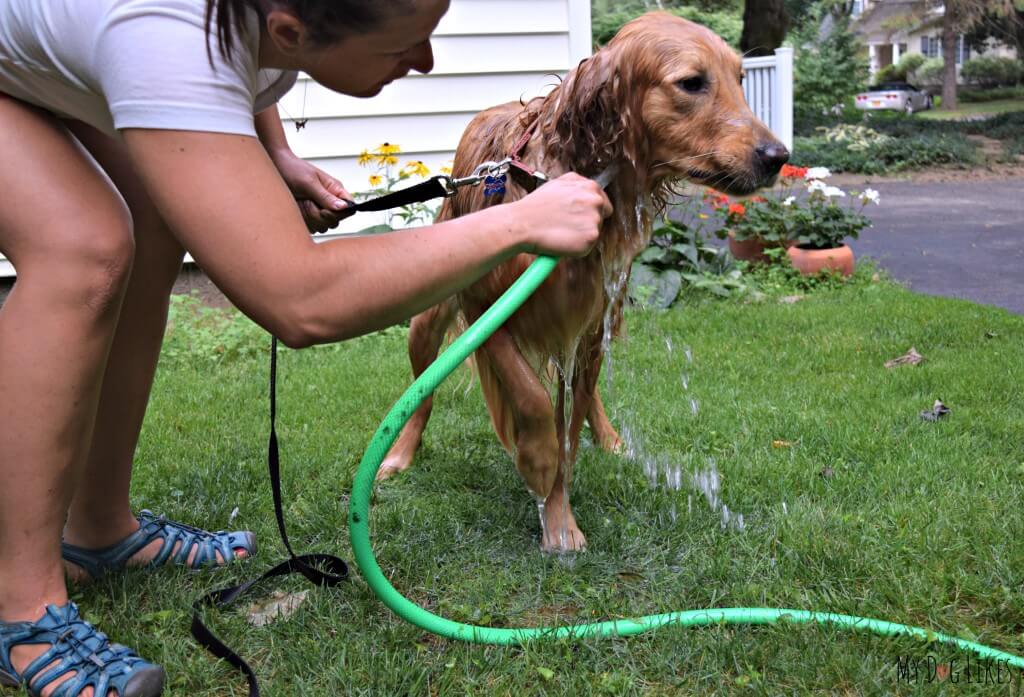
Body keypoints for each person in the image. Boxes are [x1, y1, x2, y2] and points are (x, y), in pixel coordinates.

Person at [0, 0, 611, 694]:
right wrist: (516, 226)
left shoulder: (257, 18)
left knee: (153, 215)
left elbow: (237, 55)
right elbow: (300, 298)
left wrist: (275, 153)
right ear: (292, 31)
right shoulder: (165, 36)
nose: (425, 63)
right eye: (403, 46)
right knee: (82, 245)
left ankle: (101, 527)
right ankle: (18, 605)